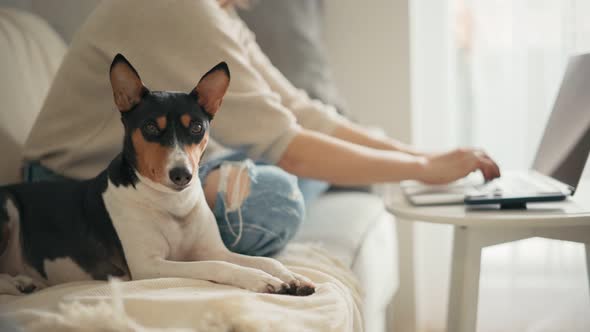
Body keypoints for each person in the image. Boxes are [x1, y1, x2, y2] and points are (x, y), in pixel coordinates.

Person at [23, 0, 500, 257]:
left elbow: (299, 112)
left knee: (312, 164)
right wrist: (419, 168)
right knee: (277, 197)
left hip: (161, 174)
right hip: (73, 193)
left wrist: (421, 157)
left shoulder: (220, 13)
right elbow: (290, 144)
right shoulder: (179, 7)